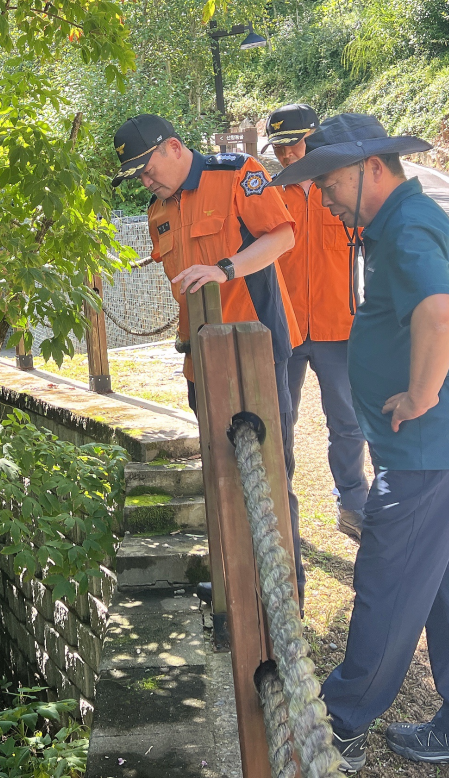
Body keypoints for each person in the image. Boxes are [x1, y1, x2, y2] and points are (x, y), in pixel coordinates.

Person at [268, 114, 449, 776]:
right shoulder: (400, 225)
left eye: (328, 183)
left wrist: (420, 395)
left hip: (427, 450)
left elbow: (438, 310)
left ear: (371, 168)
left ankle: (340, 724)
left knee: (386, 581)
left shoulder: (406, 229)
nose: (324, 198)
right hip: (439, 450)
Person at [110, 114, 308, 603]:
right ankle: (233, 588)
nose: (145, 180)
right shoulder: (158, 210)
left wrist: (226, 268)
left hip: (256, 352)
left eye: (147, 168)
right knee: (221, 474)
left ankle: (286, 595)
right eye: (137, 175)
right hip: (201, 361)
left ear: (174, 148)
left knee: (269, 471)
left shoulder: (236, 173)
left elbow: (282, 237)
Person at [262, 104, 368, 541]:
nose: (287, 154)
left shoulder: (341, 190)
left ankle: (353, 503)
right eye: (279, 148)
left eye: (294, 144)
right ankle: (279, 504)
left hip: (337, 327)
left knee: (348, 421)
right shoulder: (269, 195)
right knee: (278, 420)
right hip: (283, 328)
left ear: (315, 138)